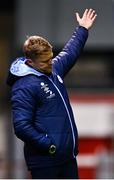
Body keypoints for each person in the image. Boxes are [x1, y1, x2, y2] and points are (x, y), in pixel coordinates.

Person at [7, 9, 97, 179]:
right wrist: (49, 146)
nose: (50, 63)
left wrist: (82, 29)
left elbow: (70, 53)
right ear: (30, 61)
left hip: (67, 158)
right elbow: (21, 126)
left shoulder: (52, 70)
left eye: (51, 58)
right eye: (46, 61)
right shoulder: (23, 86)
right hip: (46, 162)